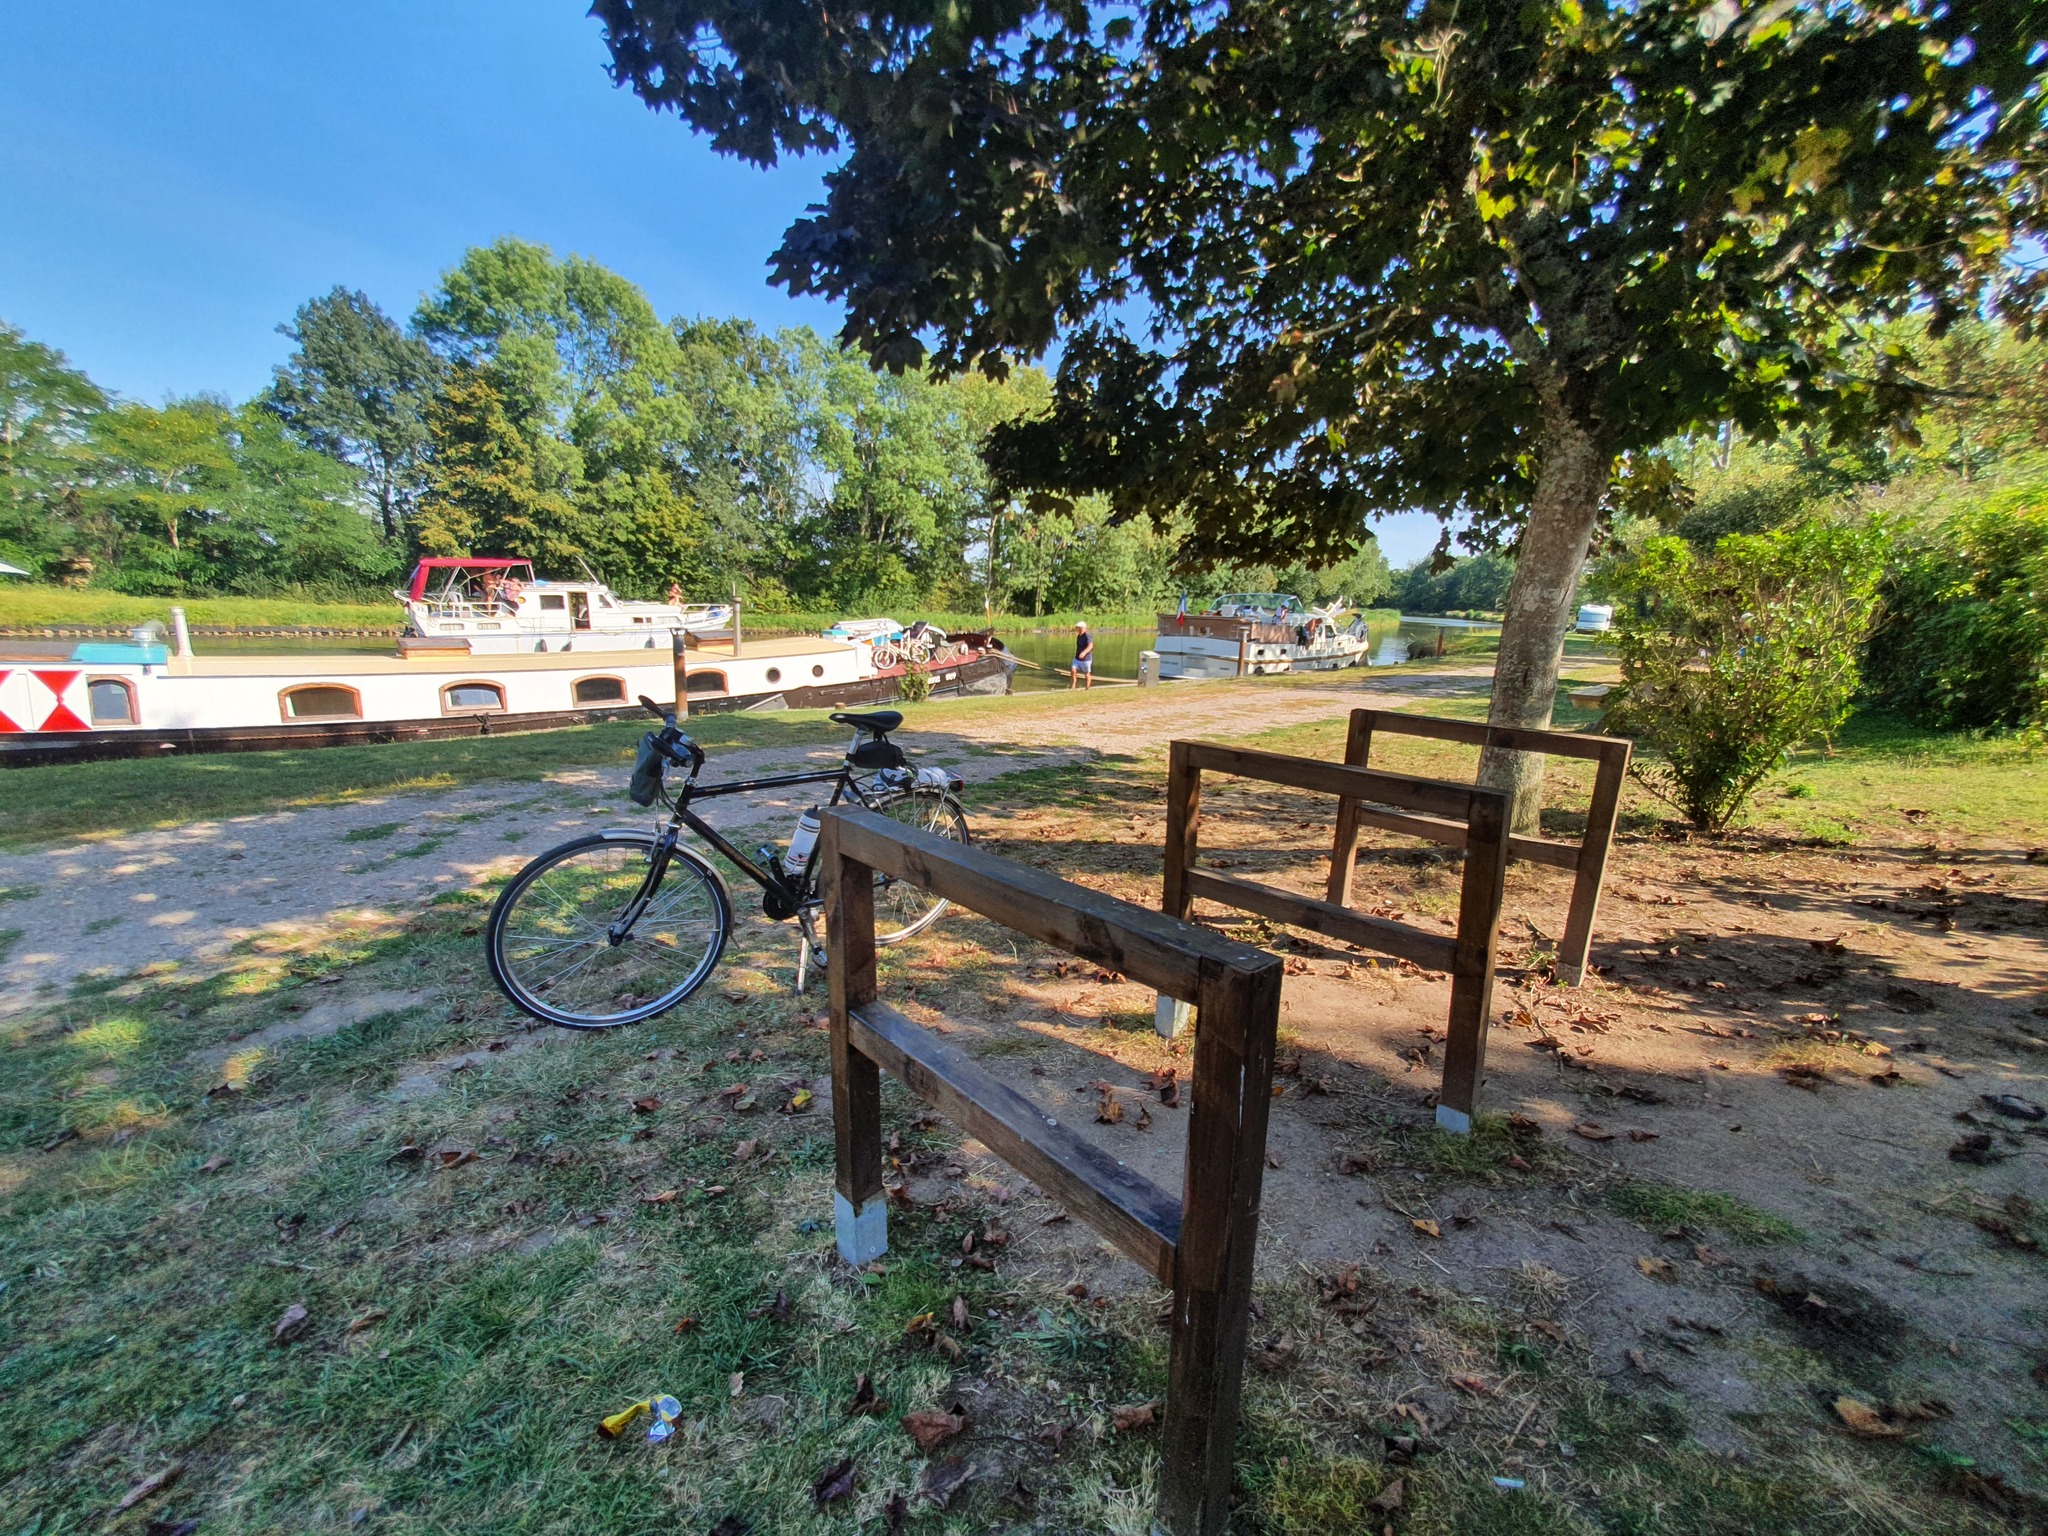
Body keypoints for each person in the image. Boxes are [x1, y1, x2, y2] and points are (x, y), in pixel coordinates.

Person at [1071, 620, 1094, 690]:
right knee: (1073, 670)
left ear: (1081, 628)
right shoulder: (1079, 636)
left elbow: (1090, 646)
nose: (1076, 629)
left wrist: (1084, 652)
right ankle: (1073, 685)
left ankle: (1087, 687)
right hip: (1077, 658)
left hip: (1086, 659)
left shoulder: (1087, 635)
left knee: (1086, 673)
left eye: (1077, 627)